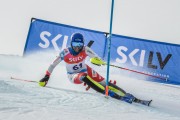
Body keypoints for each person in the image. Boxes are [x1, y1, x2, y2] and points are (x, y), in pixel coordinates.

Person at [39, 32, 151, 105]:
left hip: (86, 69)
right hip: (73, 75)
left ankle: (129, 96)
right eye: (75, 43)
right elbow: (53, 65)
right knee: (83, 77)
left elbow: (96, 58)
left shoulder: (85, 49)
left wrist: (96, 61)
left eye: (80, 44)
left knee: (105, 83)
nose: (77, 46)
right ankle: (112, 94)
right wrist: (46, 76)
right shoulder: (65, 53)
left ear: (83, 44)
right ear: (71, 43)